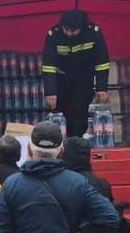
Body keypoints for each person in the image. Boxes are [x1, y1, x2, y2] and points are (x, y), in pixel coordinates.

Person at [41, 9, 109, 141]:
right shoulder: (54, 35)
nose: (68, 33)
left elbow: (102, 63)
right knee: (57, 114)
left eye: (73, 31)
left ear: (81, 28)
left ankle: (77, 143)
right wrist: (50, 92)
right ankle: (58, 145)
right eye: (66, 29)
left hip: (83, 79)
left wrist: (102, 88)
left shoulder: (93, 33)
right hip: (61, 80)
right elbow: (48, 66)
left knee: (79, 113)